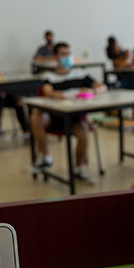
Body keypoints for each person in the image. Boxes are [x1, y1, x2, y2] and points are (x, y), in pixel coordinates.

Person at [31, 42, 107, 181]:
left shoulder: (81, 74)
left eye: (69, 54)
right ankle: (46, 157)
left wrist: (93, 91)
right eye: (63, 54)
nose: (67, 57)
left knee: (84, 130)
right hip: (54, 118)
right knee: (36, 117)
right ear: (55, 57)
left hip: (75, 118)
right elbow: (48, 92)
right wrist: (55, 94)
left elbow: (103, 87)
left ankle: (78, 168)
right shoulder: (48, 76)